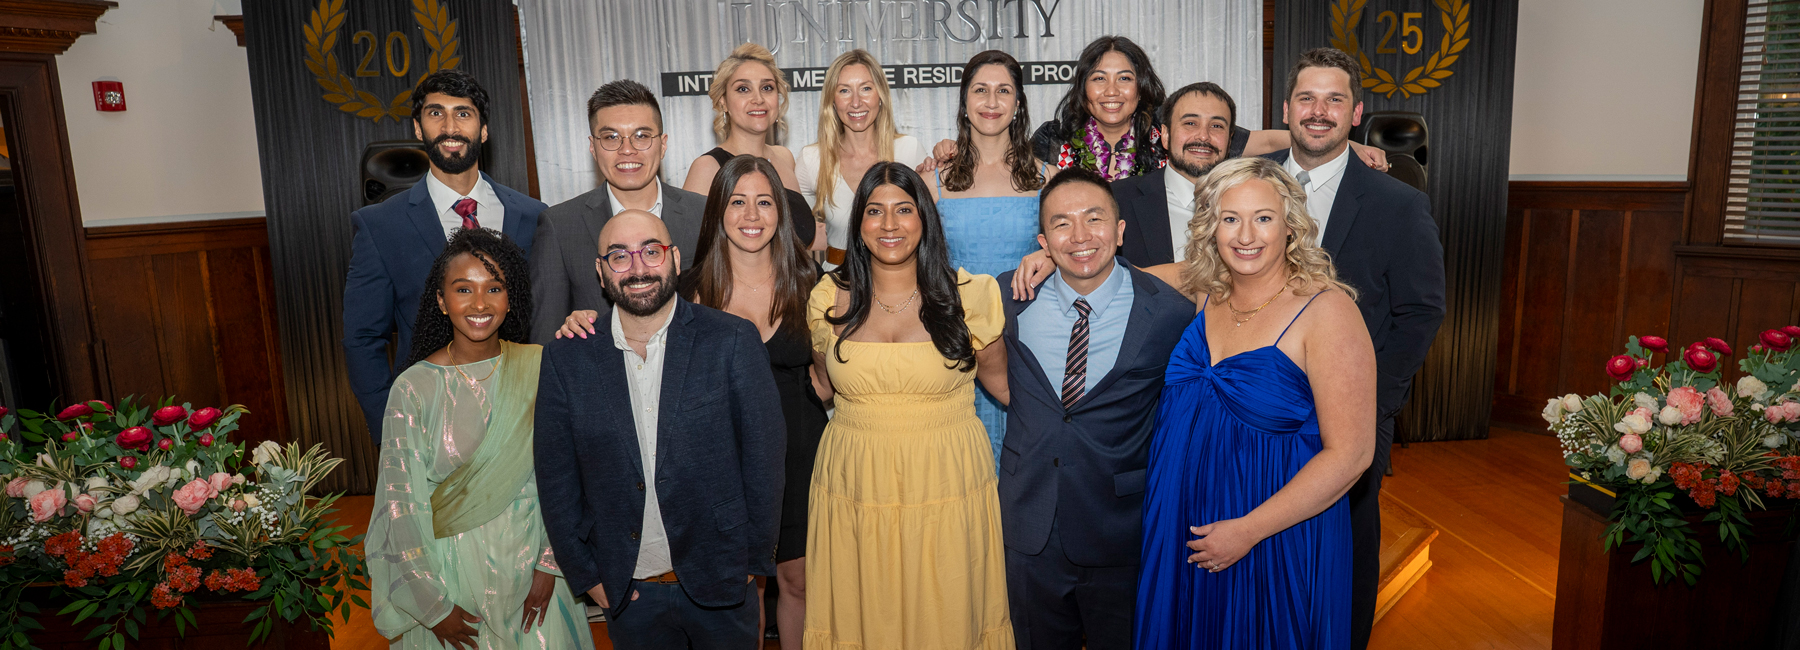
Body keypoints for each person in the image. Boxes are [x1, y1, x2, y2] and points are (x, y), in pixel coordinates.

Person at [555, 156, 827, 650]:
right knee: (743, 592)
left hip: (796, 447)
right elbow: (634, 316)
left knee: (798, 583)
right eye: (737, 201)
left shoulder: (811, 280)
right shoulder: (685, 286)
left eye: (764, 202)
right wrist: (583, 320)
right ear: (717, 212)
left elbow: (830, 373)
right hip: (710, 461)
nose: (751, 214)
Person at [1135, 157, 1376, 649]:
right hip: (1184, 520)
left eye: (1263, 218)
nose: (1246, 235)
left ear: (1290, 225)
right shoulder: (1205, 291)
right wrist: (1054, 260)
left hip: (1274, 534)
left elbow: (1351, 455)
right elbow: (1111, 274)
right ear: (1211, 227)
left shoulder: (1326, 311)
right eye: (1230, 218)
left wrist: (1248, 531)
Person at [1258, 48, 1446, 650]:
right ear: (1285, 109)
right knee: (1261, 537)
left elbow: (1420, 311)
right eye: (1307, 99)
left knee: (1345, 549)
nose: (1319, 112)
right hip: (1256, 403)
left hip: (1353, 410)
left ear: (1356, 113)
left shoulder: (1398, 203)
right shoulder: (1247, 185)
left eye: (1334, 99)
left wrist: (1372, 403)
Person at [804, 162, 1013, 649]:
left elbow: (1008, 390)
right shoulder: (828, 299)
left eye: (903, 209)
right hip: (854, 483)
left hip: (946, 482)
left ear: (925, 219)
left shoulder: (971, 296)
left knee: (948, 614)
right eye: (875, 211)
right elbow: (821, 386)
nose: (889, 224)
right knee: (861, 612)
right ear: (858, 223)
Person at [364, 227, 594, 650]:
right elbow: (399, 506)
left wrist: (551, 565)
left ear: (511, 297)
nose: (480, 304)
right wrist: (433, 607)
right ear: (441, 300)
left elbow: (570, 477)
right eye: (463, 289)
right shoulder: (413, 389)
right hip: (451, 576)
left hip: (537, 571)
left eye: (494, 288)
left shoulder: (542, 368)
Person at [995, 167, 1193, 650]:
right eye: (1062, 223)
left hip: (1120, 527)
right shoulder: (1008, 297)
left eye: (1094, 218)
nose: (1080, 235)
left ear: (1120, 231)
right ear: (1043, 242)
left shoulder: (1168, 311)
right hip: (1029, 524)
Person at [344, 69, 545, 444]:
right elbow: (362, 339)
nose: (450, 127)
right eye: (436, 113)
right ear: (418, 128)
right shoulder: (380, 226)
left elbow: (545, 318)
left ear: (483, 130)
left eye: (463, 114)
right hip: (429, 424)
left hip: (524, 418)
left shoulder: (534, 216)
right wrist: (392, 430)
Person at [928, 36, 1385, 184]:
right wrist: (951, 150)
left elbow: (1267, 139)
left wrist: (1344, 146)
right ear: (1083, 88)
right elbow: (1006, 168)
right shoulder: (1053, 137)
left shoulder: (1168, 131)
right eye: (1099, 78)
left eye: (1124, 79)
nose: (1112, 91)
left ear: (1141, 87)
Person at [929, 50, 1054, 466]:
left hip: (1026, 341)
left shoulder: (1048, 179)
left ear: (1018, 104)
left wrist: (1053, 257)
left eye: (1004, 91)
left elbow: (1075, 254)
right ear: (964, 102)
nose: (992, 102)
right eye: (980, 90)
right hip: (952, 345)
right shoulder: (931, 181)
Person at [528, 80, 707, 344]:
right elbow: (545, 340)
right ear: (593, 147)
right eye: (611, 137)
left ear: (663, 144)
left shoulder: (703, 214)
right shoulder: (560, 226)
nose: (627, 150)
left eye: (641, 136)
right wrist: (567, 333)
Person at [681, 43, 821, 251]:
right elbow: (692, 251)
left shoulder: (785, 158)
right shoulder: (708, 168)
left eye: (767, 88)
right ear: (723, 102)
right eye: (743, 89)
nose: (758, 99)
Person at [797, 49, 928, 267]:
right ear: (832, 101)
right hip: (838, 279)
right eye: (844, 91)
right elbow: (794, 233)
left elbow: (931, 226)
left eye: (866, 88)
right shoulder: (812, 159)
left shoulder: (909, 150)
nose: (856, 102)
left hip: (901, 278)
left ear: (881, 95)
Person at [1115, 82, 1240, 267]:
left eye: (1216, 126)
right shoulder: (1118, 200)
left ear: (1229, 141)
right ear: (1165, 135)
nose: (1203, 136)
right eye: (1190, 123)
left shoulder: (1250, 200)